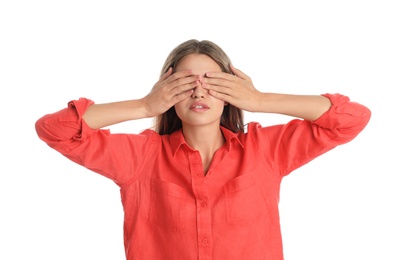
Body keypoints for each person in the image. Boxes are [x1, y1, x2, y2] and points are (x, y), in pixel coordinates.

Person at [35, 39, 371, 260]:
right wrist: (145, 105)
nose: (199, 92)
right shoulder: (141, 157)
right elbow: (55, 129)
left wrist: (259, 100)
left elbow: (350, 119)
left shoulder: (264, 151)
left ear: (230, 91)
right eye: (185, 83)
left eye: (212, 82)